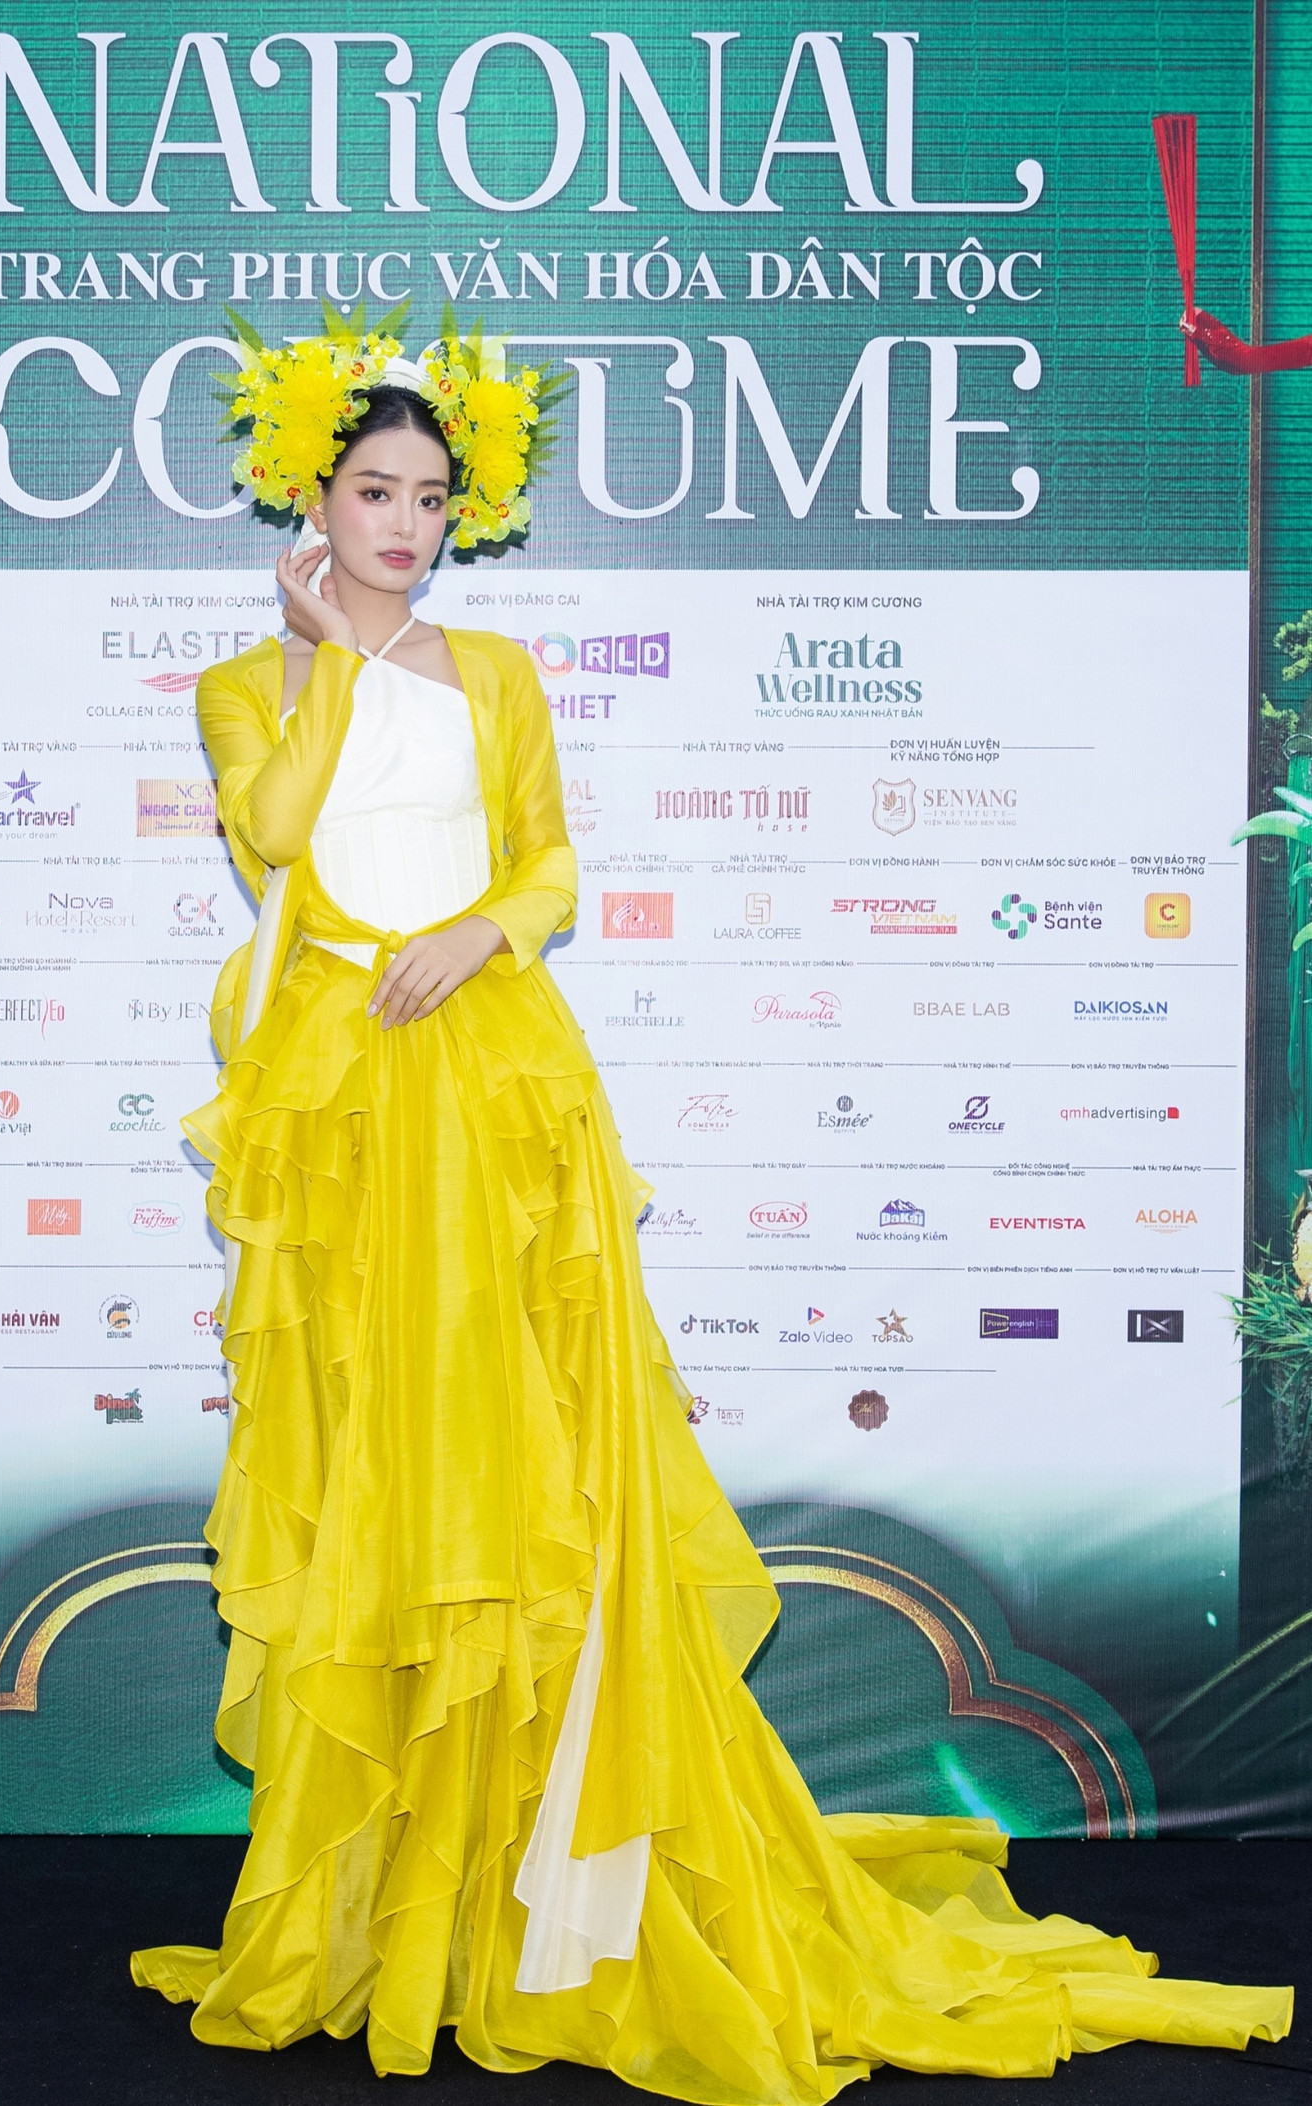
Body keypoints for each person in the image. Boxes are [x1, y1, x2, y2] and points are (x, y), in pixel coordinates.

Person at [132, 314, 1292, 2097]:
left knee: (535, 1471)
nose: (405, 525)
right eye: (374, 492)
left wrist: (483, 930)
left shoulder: (498, 672)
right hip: (342, 1105)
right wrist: (332, 666)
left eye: (430, 497)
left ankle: (551, 1891)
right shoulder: (247, 685)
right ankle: (395, 1893)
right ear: (314, 499)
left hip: (499, 1082)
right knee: (375, 1466)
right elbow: (272, 834)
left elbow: (549, 861)